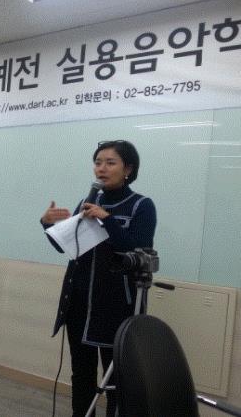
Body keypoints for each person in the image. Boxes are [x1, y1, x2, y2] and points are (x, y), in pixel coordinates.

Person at [40, 140, 156, 417]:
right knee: (81, 373)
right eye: (98, 162)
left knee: (117, 380)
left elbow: (137, 250)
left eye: (110, 163)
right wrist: (47, 224)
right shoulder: (88, 202)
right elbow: (67, 247)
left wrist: (107, 219)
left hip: (116, 308)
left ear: (128, 169)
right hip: (79, 304)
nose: (101, 168)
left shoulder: (141, 205)